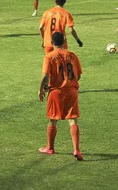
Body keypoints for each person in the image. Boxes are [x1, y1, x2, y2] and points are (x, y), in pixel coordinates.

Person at [38, 31, 84, 161]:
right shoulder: (72, 55)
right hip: (72, 91)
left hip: (56, 92)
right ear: (64, 42)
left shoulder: (49, 56)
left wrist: (41, 89)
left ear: (52, 43)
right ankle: (76, 150)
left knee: (53, 119)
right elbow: (78, 75)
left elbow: (45, 75)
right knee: (73, 119)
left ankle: (50, 148)